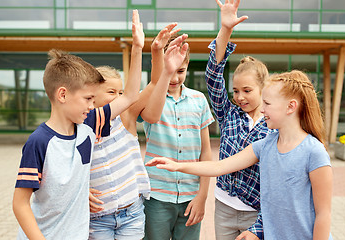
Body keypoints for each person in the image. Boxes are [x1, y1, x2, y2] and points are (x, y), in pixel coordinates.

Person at [146, 70, 333, 240]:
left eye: (267, 103)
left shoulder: (314, 152)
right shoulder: (265, 146)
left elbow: (323, 214)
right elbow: (220, 167)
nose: (262, 109)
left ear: (290, 107)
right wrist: (177, 165)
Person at [12, 10, 143, 240]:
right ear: (62, 94)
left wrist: (138, 48)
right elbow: (20, 204)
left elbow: (131, 95)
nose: (93, 105)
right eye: (88, 99)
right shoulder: (38, 142)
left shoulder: (89, 125)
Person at [88, 24, 187, 240]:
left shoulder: (126, 116)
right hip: (97, 217)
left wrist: (153, 50)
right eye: (111, 92)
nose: (118, 97)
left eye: (121, 92)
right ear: (91, 96)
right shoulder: (82, 127)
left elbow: (153, 82)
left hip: (131, 212)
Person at [205, 0, 272, 239]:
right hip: (223, 207)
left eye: (247, 90)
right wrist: (225, 29)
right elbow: (213, 76)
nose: (240, 97)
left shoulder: (274, 125)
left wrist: (261, 225)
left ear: (263, 88)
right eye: (235, 91)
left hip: (256, 212)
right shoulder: (229, 114)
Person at [142, 33, 215, 240]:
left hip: (191, 197)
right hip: (156, 196)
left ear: (188, 66)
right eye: (171, 71)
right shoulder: (149, 98)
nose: (175, 78)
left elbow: (206, 151)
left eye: (181, 71)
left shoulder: (199, 100)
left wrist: (202, 196)